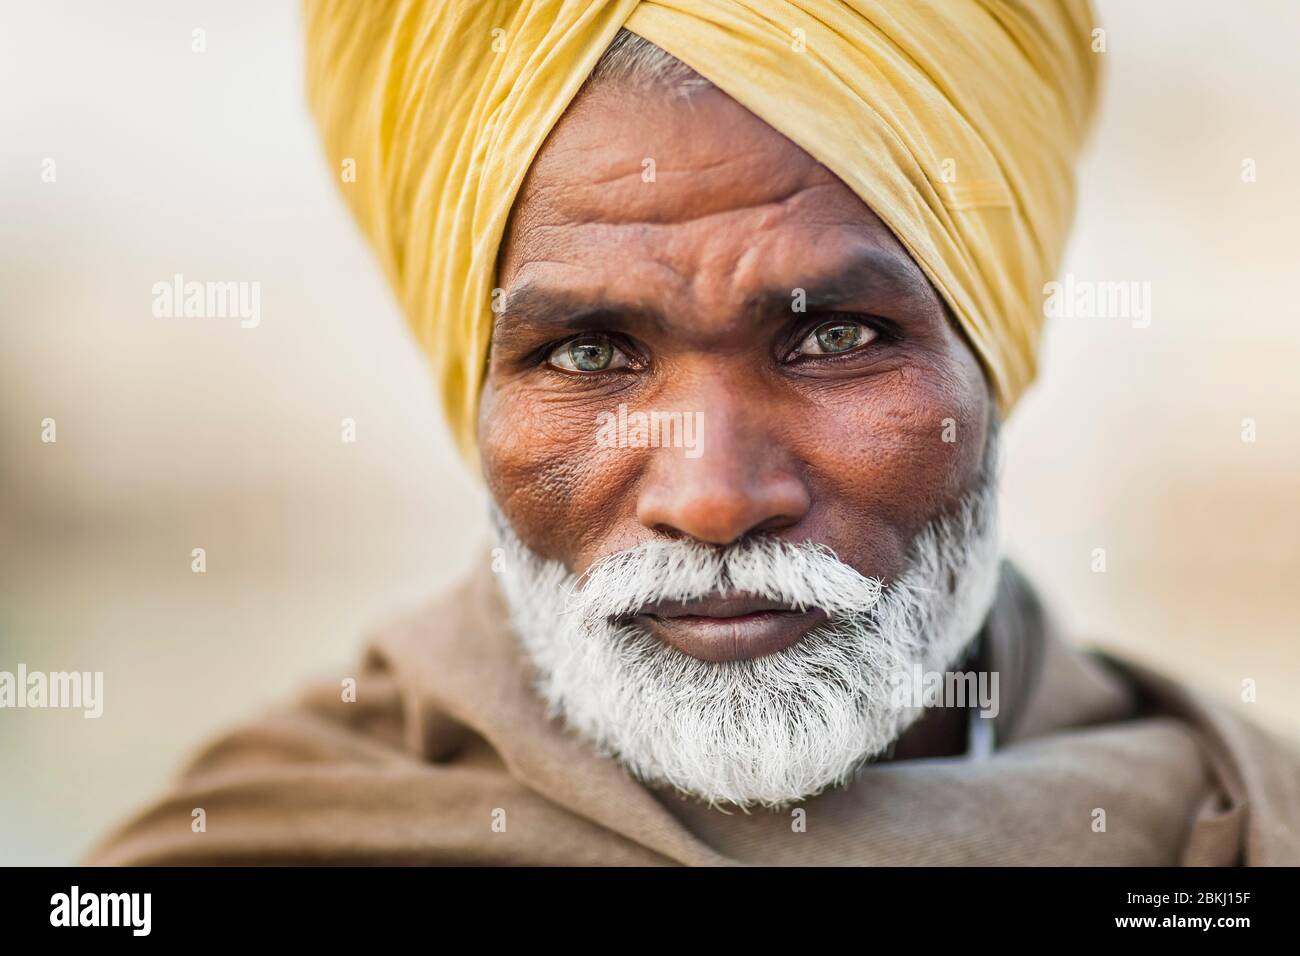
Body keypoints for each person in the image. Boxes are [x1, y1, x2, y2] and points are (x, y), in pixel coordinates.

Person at [88, 0, 1300, 866]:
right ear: (481, 391)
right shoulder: (266, 847)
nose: (716, 495)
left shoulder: (1241, 831)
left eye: (834, 338)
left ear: (993, 356)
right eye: (587, 354)